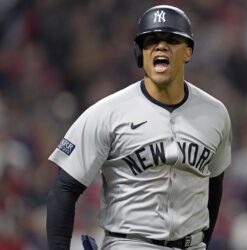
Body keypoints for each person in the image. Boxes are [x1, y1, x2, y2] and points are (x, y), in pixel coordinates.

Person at [46, 5, 232, 250]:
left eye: (172, 40)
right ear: (139, 53)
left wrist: (201, 243)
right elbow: (64, 189)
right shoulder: (107, 113)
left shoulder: (215, 113)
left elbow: (214, 186)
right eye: (151, 40)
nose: (161, 47)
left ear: (188, 52)